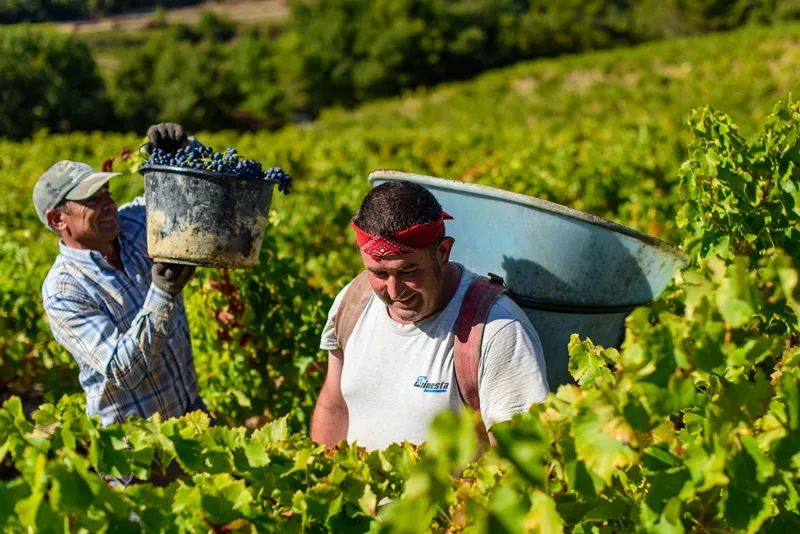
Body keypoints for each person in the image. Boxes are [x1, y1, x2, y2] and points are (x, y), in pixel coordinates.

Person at [311, 180, 549, 450]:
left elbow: (520, 458)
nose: (393, 290)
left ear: (443, 251)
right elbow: (334, 406)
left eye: (408, 271)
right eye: (378, 273)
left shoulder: (496, 329)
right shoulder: (353, 302)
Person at [34, 123, 208, 426]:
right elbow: (123, 371)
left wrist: (179, 154)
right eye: (92, 200)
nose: (109, 204)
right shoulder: (63, 291)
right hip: (137, 450)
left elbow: (192, 189)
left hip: (191, 412)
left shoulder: (134, 225)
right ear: (57, 218)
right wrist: (162, 294)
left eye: (107, 193)